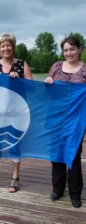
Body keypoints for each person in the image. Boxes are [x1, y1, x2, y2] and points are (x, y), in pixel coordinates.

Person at [0, 33, 33, 193]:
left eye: (8, 45)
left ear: (13, 47)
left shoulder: (21, 64)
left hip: (16, 112)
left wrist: (19, 78)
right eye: (3, 46)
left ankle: (15, 178)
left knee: (14, 145)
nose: (6, 48)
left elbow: (32, 87)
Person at [44, 36, 85, 208]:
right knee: (57, 154)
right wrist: (48, 83)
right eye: (66, 50)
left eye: (72, 49)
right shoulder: (56, 67)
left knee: (74, 155)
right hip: (56, 117)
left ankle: (75, 193)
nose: (69, 53)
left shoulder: (84, 70)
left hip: (76, 120)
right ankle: (58, 189)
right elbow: (47, 92)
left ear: (79, 49)